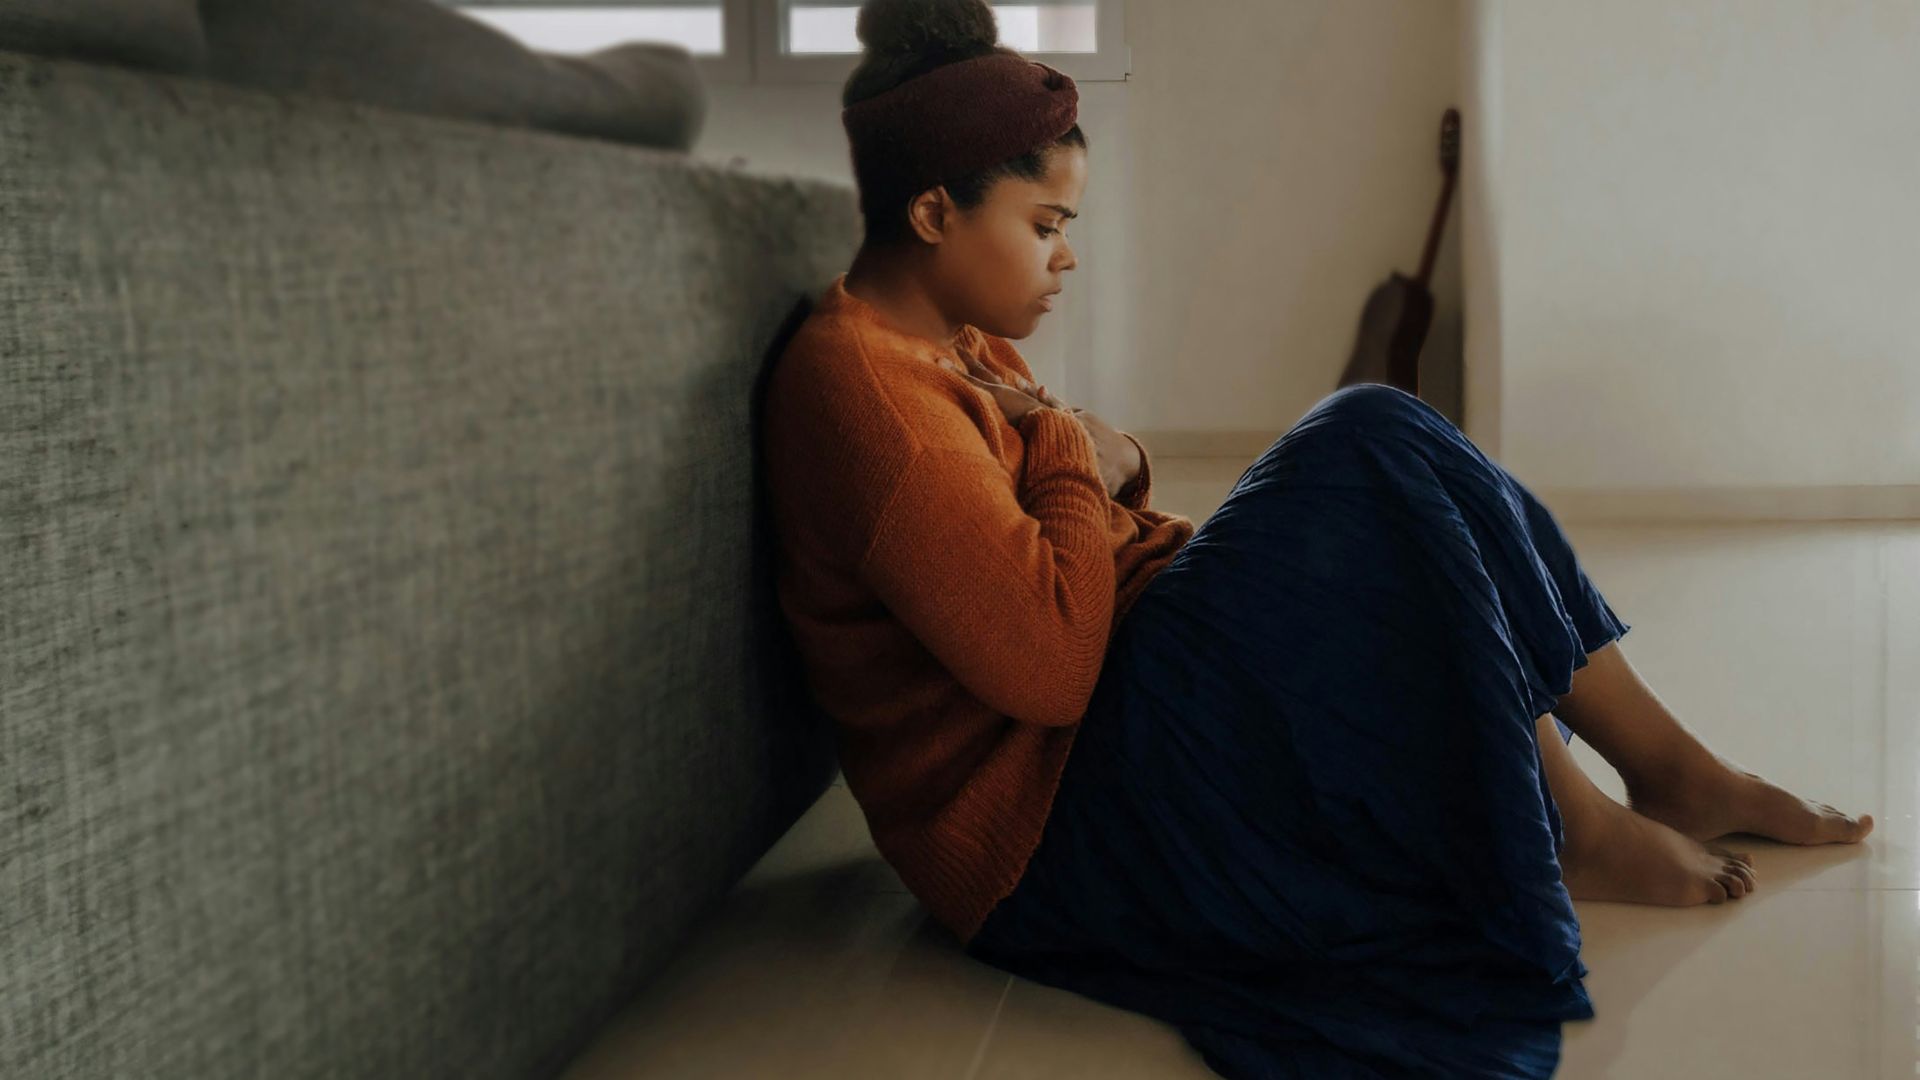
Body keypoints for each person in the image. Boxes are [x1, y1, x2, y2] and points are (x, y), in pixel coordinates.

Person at [758, 2, 1874, 1075]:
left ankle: (1668, 770)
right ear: (933, 212)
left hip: (1112, 712)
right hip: (1049, 830)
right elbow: (1047, 668)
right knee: (1364, 439)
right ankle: (1572, 822)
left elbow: (1082, 501)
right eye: (1046, 227)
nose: (1066, 259)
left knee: (1382, 441)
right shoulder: (867, 398)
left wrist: (1108, 461)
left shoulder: (950, 340)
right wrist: (1062, 442)